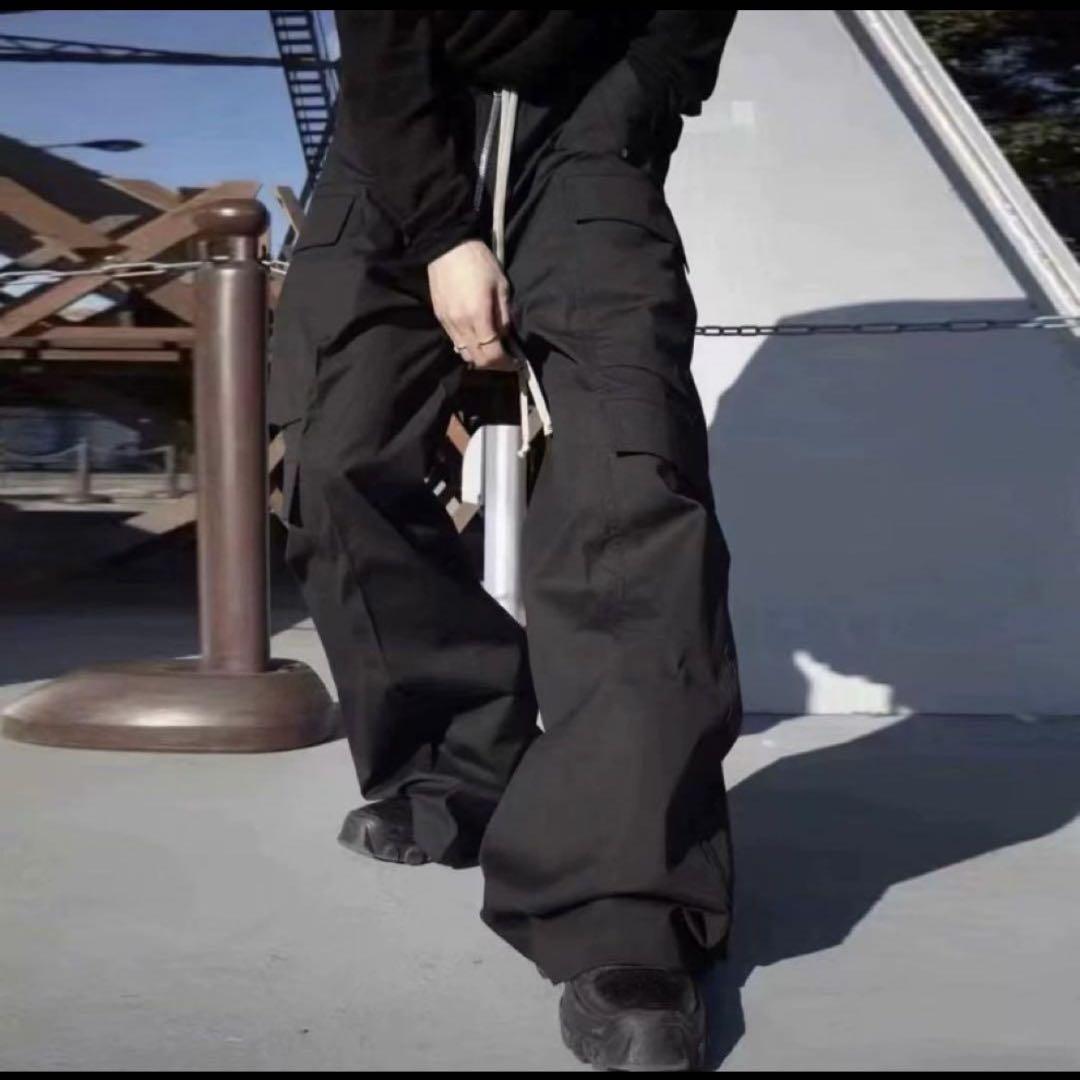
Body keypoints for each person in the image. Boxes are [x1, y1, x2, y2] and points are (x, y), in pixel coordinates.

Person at [268, 11, 743, 1070]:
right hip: (401, 125)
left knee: (632, 481)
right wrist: (446, 236)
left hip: (590, 125)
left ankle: (627, 909)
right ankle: (457, 767)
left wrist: (635, 105)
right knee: (335, 460)